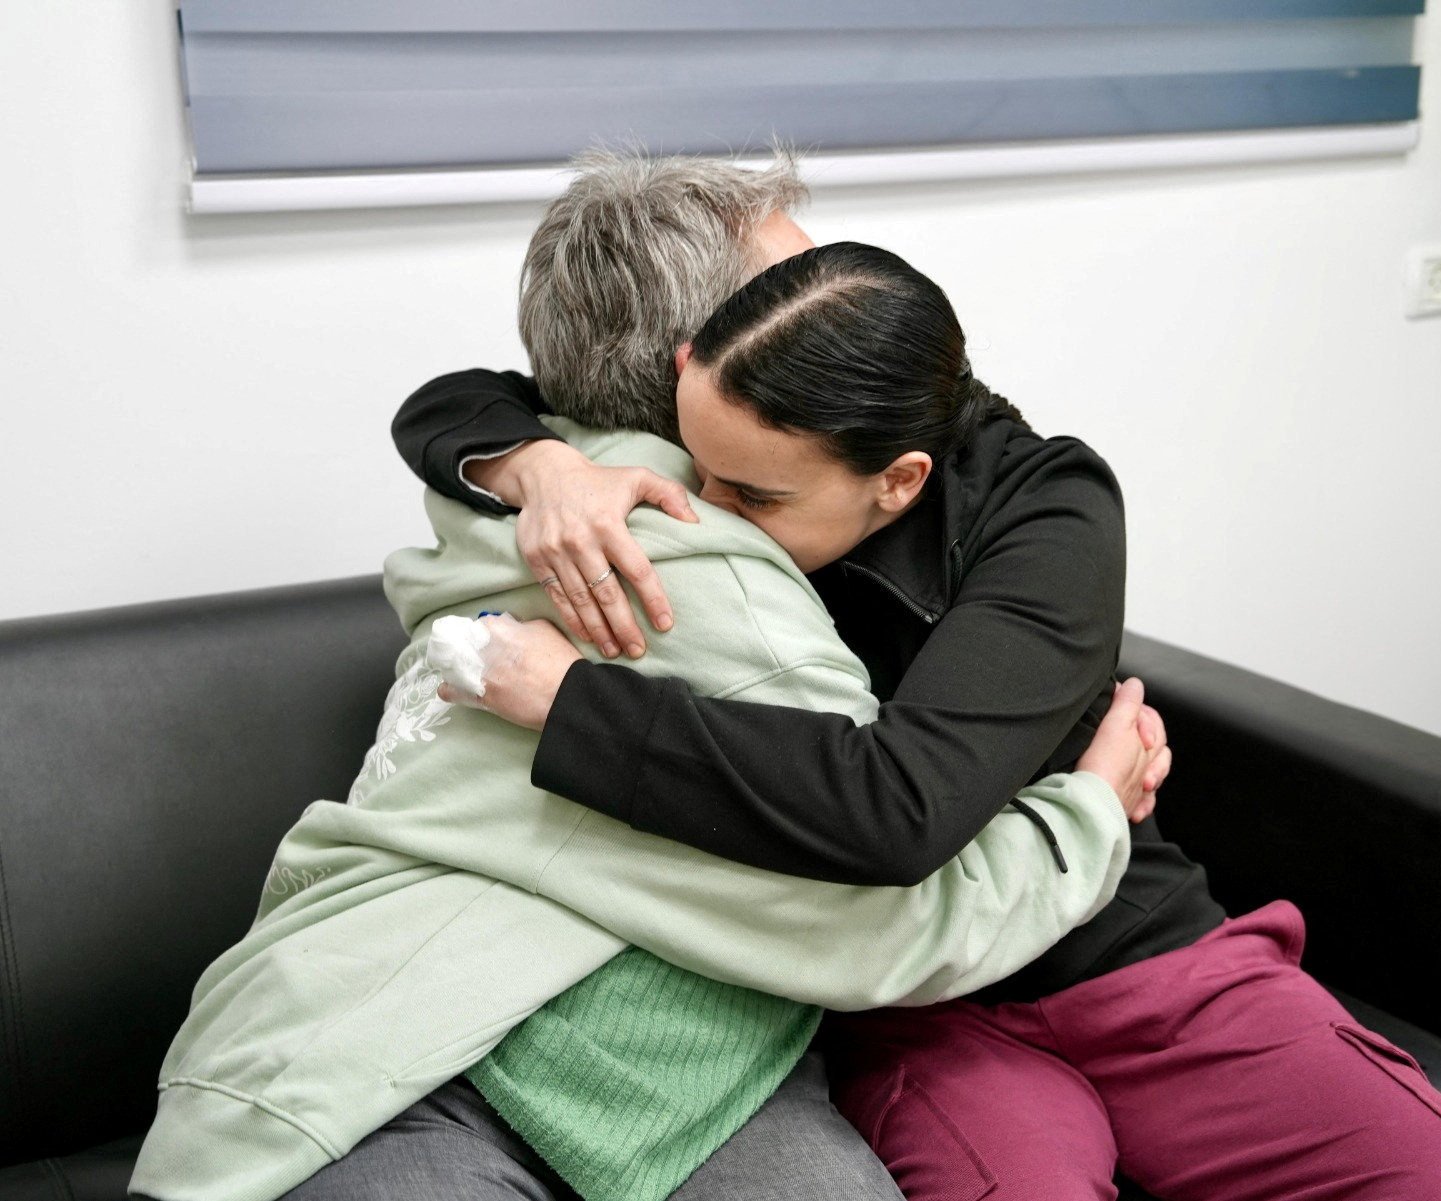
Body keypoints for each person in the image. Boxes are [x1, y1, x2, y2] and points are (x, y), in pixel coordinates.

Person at [397, 173, 1441, 1199]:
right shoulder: (695, 474)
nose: (706, 503)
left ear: (894, 477)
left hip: (1137, 957)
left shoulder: (1035, 500)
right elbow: (455, 397)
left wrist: (568, 702)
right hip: (926, 1006)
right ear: (688, 367)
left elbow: (897, 807)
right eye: (780, 282)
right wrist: (535, 461)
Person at [128, 154, 1159, 1201]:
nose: (822, 304)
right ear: (701, 358)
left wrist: (529, 465)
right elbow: (882, 899)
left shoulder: (529, 483)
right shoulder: (692, 572)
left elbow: (458, 404)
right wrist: (1088, 812)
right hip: (423, 1049)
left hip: (571, 1043)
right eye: (781, 292)